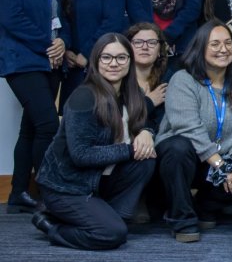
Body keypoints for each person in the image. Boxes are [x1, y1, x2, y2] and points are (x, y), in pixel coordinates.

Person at [32, 34, 156, 249]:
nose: (114, 64)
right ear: (96, 61)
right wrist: (130, 149)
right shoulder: (84, 97)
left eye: (121, 58)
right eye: (106, 58)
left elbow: (145, 117)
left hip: (97, 182)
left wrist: (147, 132)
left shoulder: (132, 94)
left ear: (130, 61)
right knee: (110, 234)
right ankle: (52, 226)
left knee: (147, 159)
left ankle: (112, 218)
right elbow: (81, 155)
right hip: (66, 187)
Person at [155, 20, 232, 242]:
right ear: (200, 48)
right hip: (184, 158)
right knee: (178, 148)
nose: (224, 49)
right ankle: (181, 218)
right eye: (215, 44)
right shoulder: (183, 80)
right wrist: (222, 166)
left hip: (221, 159)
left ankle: (204, 205)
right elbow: (187, 127)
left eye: (228, 43)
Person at [0, 0, 66, 213]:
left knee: (30, 129)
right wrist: (46, 45)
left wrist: (60, 43)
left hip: (46, 62)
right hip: (23, 61)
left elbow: (56, 22)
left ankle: (17, 193)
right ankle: (46, 193)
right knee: (48, 125)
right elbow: (11, 18)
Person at [59, 0, 127, 111]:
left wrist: (88, 54)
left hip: (99, 64)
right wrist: (66, 51)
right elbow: (62, 22)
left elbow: (112, 22)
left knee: (99, 116)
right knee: (71, 118)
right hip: (72, 66)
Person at [125, 22, 171, 127]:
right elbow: (119, 118)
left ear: (159, 50)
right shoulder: (119, 78)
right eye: (138, 42)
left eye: (151, 42)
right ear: (128, 48)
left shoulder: (169, 79)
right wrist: (150, 102)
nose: (145, 47)